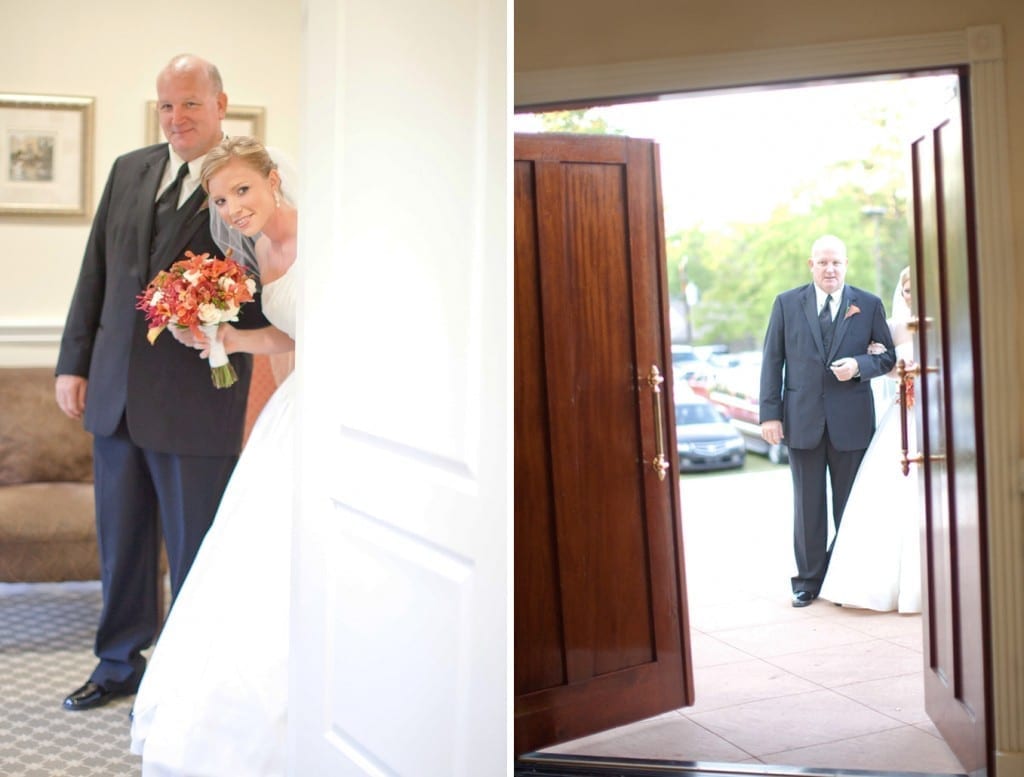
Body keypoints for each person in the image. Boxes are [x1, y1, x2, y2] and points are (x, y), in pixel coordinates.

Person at [55, 54, 270, 711]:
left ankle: (191, 677)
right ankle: (118, 662)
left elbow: (260, 291)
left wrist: (216, 319)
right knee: (121, 544)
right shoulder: (129, 169)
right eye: (166, 105)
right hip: (116, 394)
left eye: (190, 105)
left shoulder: (245, 183)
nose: (176, 118)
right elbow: (98, 268)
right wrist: (74, 360)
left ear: (221, 104)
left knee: (195, 547)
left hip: (196, 400)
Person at [129, 136, 298, 775]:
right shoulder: (248, 248)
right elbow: (284, 332)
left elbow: (325, 325)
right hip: (292, 406)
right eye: (221, 199)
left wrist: (236, 335)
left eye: (242, 190)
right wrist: (216, 330)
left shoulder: (322, 235)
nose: (233, 207)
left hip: (331, 399)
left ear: (274, 179)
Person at [759, 234, 897, 608]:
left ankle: (844, 576)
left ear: (846, 264)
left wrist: (858, 366)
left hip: (850, 421)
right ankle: (807, 581)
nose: (830, 269)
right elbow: (773, 361)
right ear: (811, 265)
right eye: (823, 262)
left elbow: (888, 358)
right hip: (801, 420)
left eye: (836, 262)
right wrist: (769, 415)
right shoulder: (787, 304)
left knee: (850, 505)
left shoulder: (868, 305)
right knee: (808, 507)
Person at [819, 267, 921, 613]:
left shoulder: (941, 322)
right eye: (906, 288)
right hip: (903, 414)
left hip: (939, 415)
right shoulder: (891, 327)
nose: (911, 294)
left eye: (917, 288)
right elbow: (883, 362)